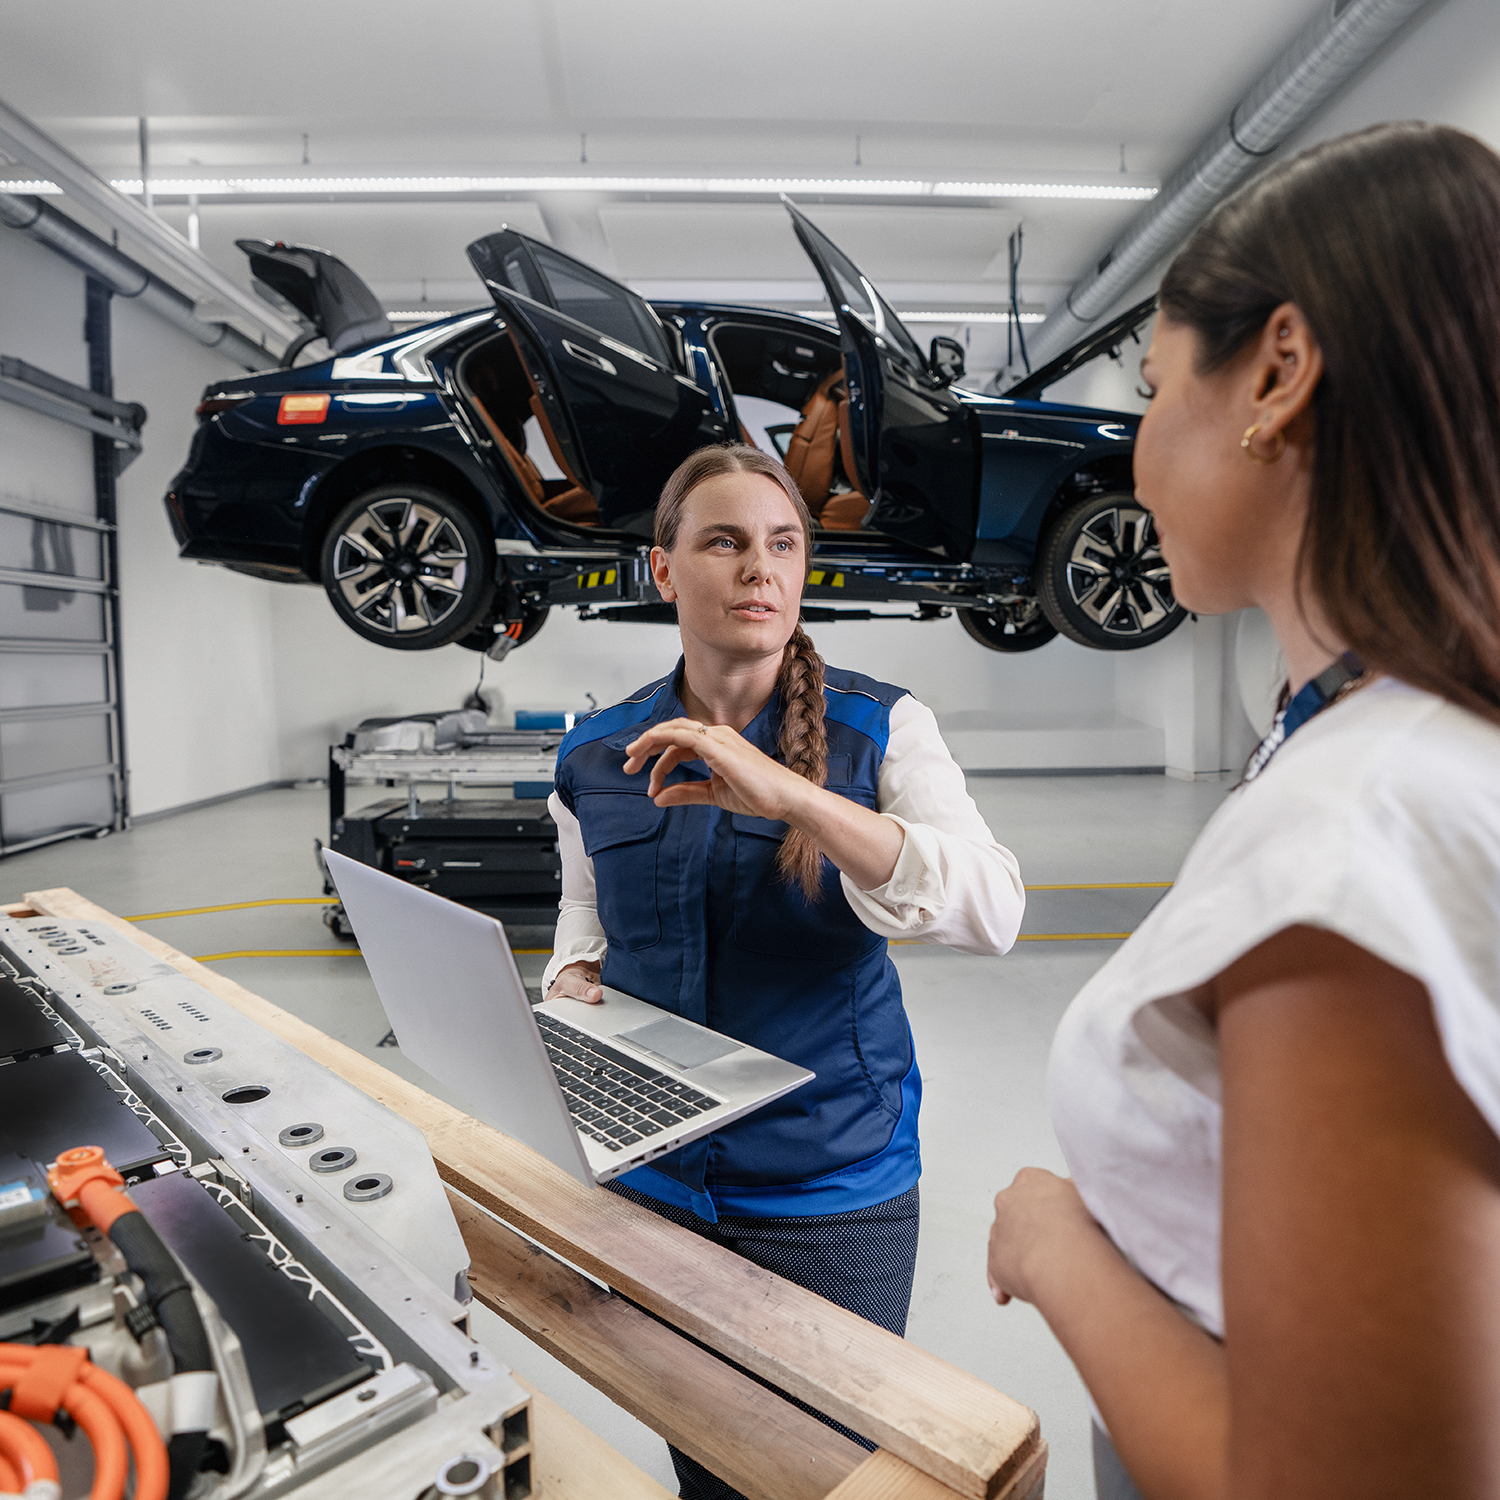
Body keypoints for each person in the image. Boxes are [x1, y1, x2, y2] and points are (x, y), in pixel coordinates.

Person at [984, 120, 1500, 1500]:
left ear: (1276, 374)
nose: (1134, 457)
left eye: (1152, 391)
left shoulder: (1355, 833)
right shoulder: (1418, 742)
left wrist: (1054, 1248)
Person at [544, 442, 1025, 1500]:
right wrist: (572, 976)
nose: (760, 568)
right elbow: (583, 910)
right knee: (710, 1465)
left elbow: (993, 910)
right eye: (724, 541)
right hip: (656, 1185)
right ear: (663, 571)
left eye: (783, 544)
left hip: (828, 1191)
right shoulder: (596, 756)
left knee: (824, 1476)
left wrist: (793, 797)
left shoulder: (879, 728)